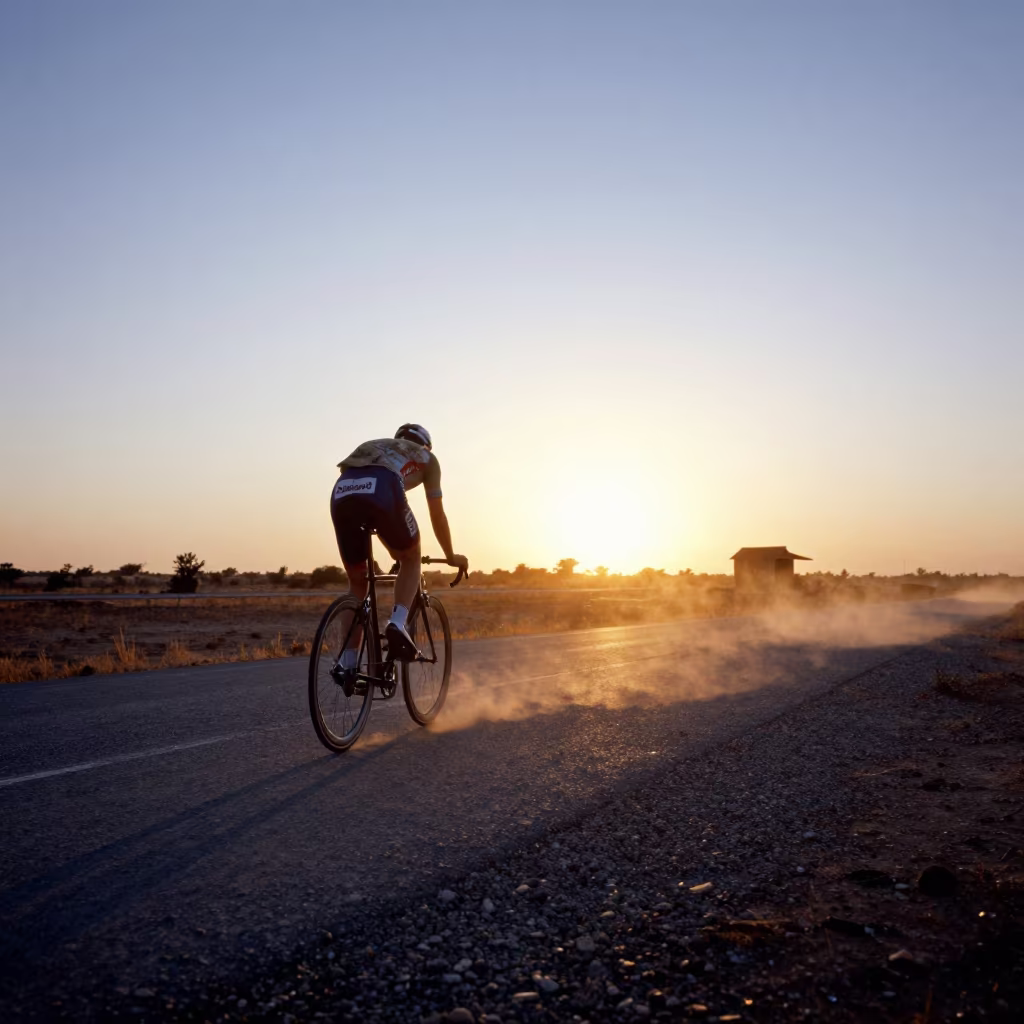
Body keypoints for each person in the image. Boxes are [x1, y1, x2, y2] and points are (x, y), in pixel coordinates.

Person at [330, 423, 469, 663]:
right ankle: (397, 623)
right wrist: (450, 555)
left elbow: (360, 487)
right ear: (425, 445)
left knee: (357, 582)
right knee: (411, 556)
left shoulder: (376, 444)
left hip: (343, 490)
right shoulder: (428, 458)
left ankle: (348, 663)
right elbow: (437, 515)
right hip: (383, 486)